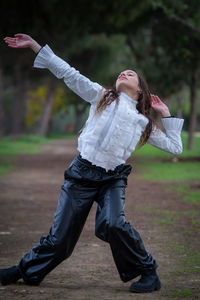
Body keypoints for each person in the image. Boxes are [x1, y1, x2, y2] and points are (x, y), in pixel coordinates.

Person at [1, 33, 184, 293]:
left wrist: (165, 114)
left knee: (113, 224)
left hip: (113, 179)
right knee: (60, 239)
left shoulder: (144, 123)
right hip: (81, 174)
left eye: (130, 73)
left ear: (141, 89)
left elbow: (175, 147)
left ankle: (148, 272)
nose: (123, 73)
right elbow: (69, 73)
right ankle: (23, 271)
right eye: (121, 72)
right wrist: (35, 47)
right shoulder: (101, 96)